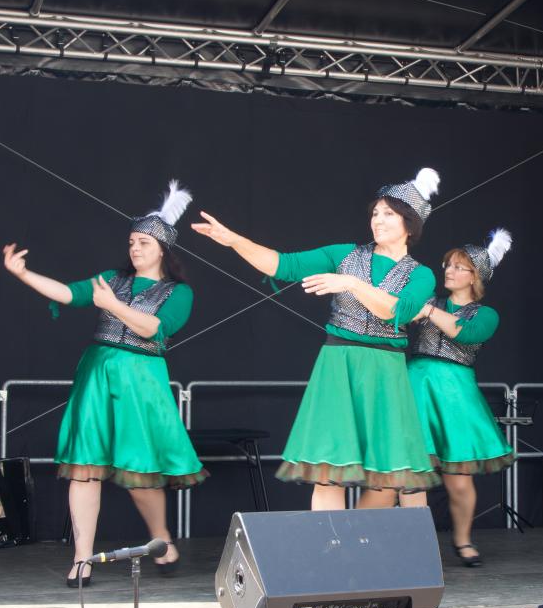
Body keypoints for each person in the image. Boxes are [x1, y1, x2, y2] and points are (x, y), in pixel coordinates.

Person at [191, 169, 441, 509]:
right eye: (375, 213)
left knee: (390, 475)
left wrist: (351, 284)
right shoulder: (344, 255)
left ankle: (372, 548)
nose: (377, 220)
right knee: (328, 471)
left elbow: (397, 310)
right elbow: (283, 264)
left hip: (386, 371)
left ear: (409, 225)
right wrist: (235, 240)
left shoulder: (421, 274)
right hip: (339, 365)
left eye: (389, 214)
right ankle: (331, 554)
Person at [2, 181, 205, 587]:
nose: (135, 248)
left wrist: (113, 305)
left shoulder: (179, 293)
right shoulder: (112, 278)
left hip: (141, 380)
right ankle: (82, 558)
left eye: (144, 242)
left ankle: (161, 535)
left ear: (162, 249)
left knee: (139, 469)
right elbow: (68, 293)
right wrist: (24, 274)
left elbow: (153, 329)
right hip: (98, 375)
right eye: (132, 241)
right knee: (85, 467)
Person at [403, 230, 515, 567]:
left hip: (455, 394)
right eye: (447, 265)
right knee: (412, 473)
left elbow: (464, 333)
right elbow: (397, 313)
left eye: (458, 267)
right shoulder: (428, 299)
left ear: (475, 277)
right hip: (416, 384)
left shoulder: (486, 314)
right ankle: (417, 547)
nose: (449, 271)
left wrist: (427, 312)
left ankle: (463, 540)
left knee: (460, 482)